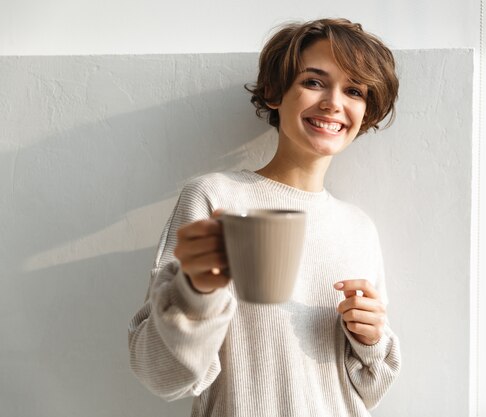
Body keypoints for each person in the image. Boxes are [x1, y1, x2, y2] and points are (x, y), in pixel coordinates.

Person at [128, 18, 401, 417]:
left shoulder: (358, 228)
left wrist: (373, 341)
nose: (333, 103)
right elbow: (160, 374)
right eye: (313, 82)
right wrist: (194, 291)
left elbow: (369, 390)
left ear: (367, 111)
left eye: (354, 90)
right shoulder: (214, 197)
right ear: (274, 92)